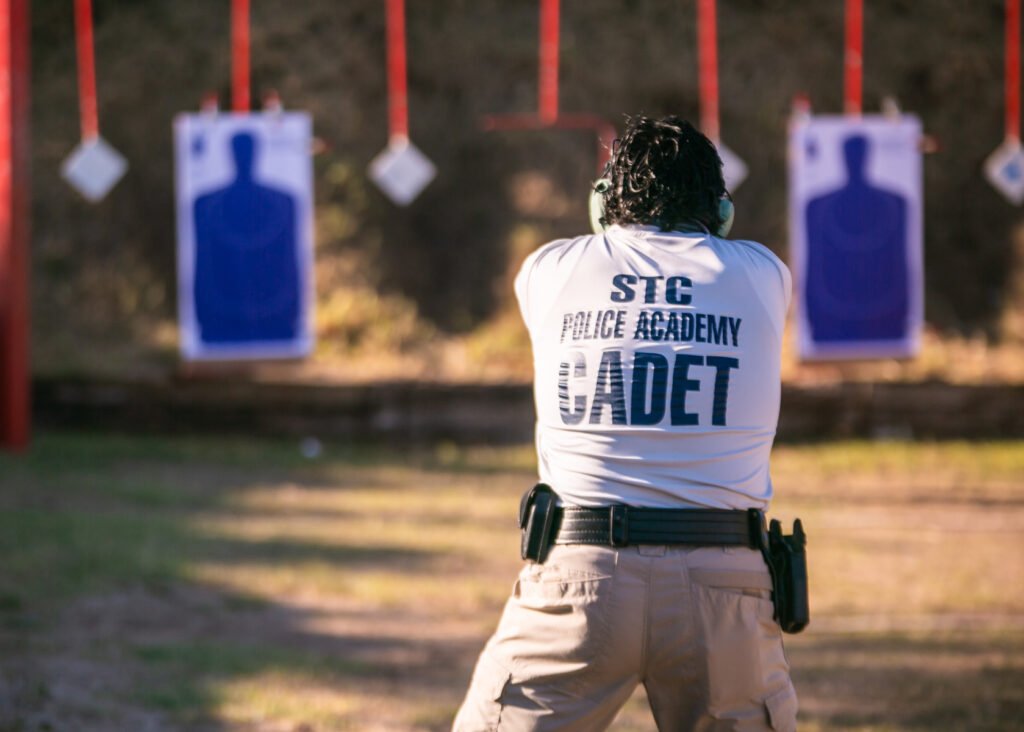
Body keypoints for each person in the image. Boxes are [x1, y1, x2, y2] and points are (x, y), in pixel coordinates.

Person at [452, 115, 797, 732]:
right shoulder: (763, 276)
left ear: (601, 205)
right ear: (721, 213)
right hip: (726, 580)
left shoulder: (549, 270)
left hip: (579, 575)